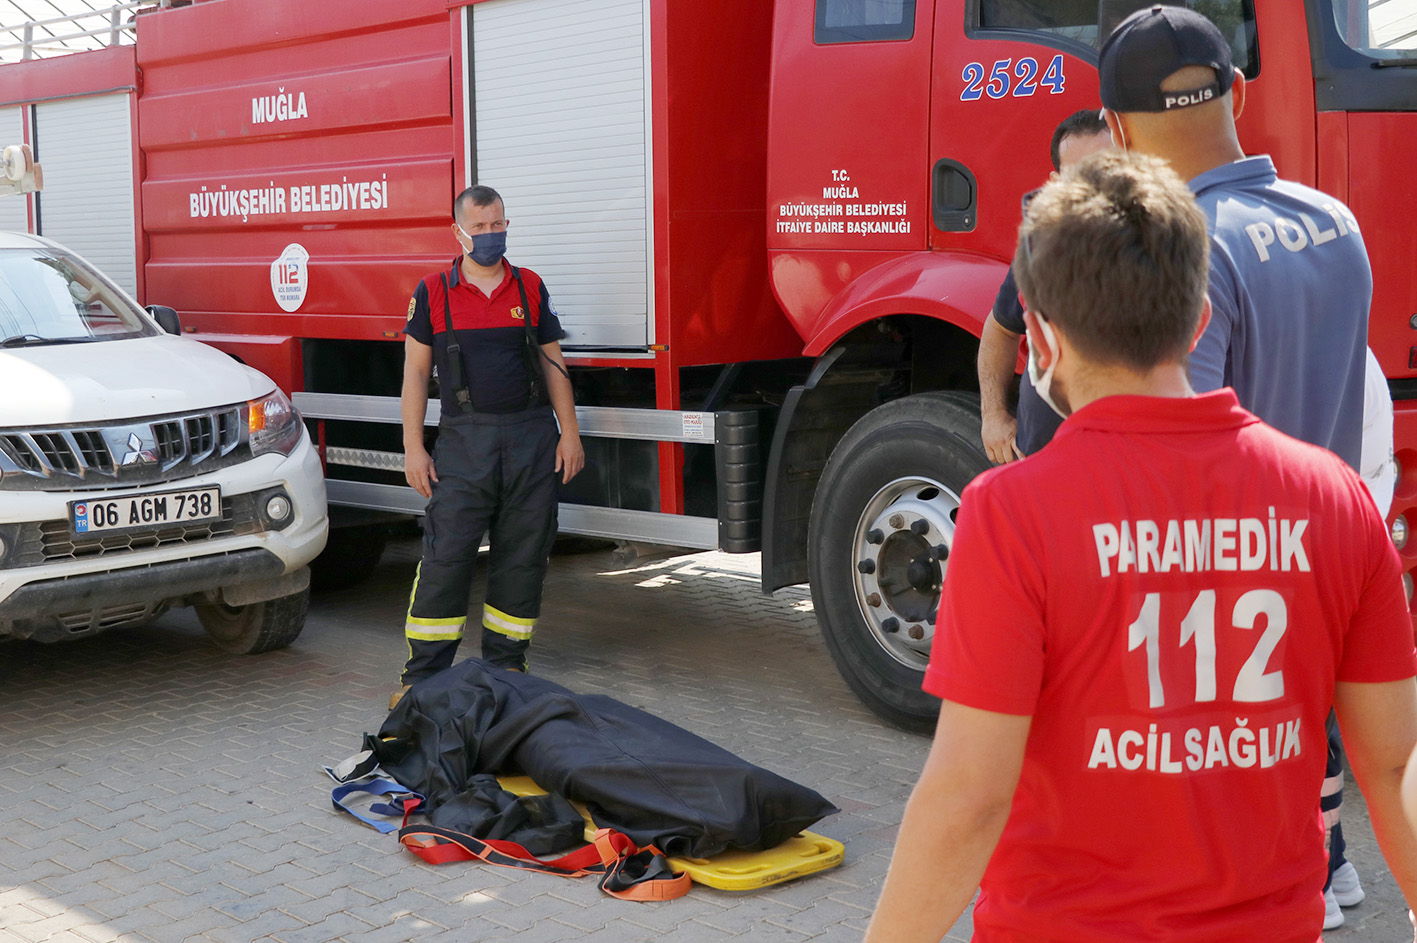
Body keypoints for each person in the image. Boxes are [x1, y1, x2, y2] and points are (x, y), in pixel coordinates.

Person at [862, 152, 1417, 943]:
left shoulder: (1012, 513)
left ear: (1042, 339)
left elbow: (967, 796)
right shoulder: (1334, 500)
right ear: (1196, 320)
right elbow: (1396, 765)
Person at [1097, 7, 1380, 926]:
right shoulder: (1333, 221)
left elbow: (1186, 446)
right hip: (1328, 562)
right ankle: (1331, 869)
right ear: (1241, 93)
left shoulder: (1191, 248)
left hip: (1228, 592)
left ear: (1114, 129)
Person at [393, 185, 584, 707]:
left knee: (523, 560)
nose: (490, 235)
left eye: (498, 224)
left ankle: (507, 672)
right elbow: (414, 377)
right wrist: (415, 448)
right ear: (457, 231)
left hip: (530, 440)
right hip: (464, 444)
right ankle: (423, 680)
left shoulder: (529, 287)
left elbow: (553, 366)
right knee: (446, 558)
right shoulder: (432, 292)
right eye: (479, 227)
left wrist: (569, 432)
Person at [978, 108, 1113, 464]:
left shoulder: (1159, 252)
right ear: (1056, 183)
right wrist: (993, 416)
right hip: (1039, 469)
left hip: (1117, 473)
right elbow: (999, 330)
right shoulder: (1036, 250)